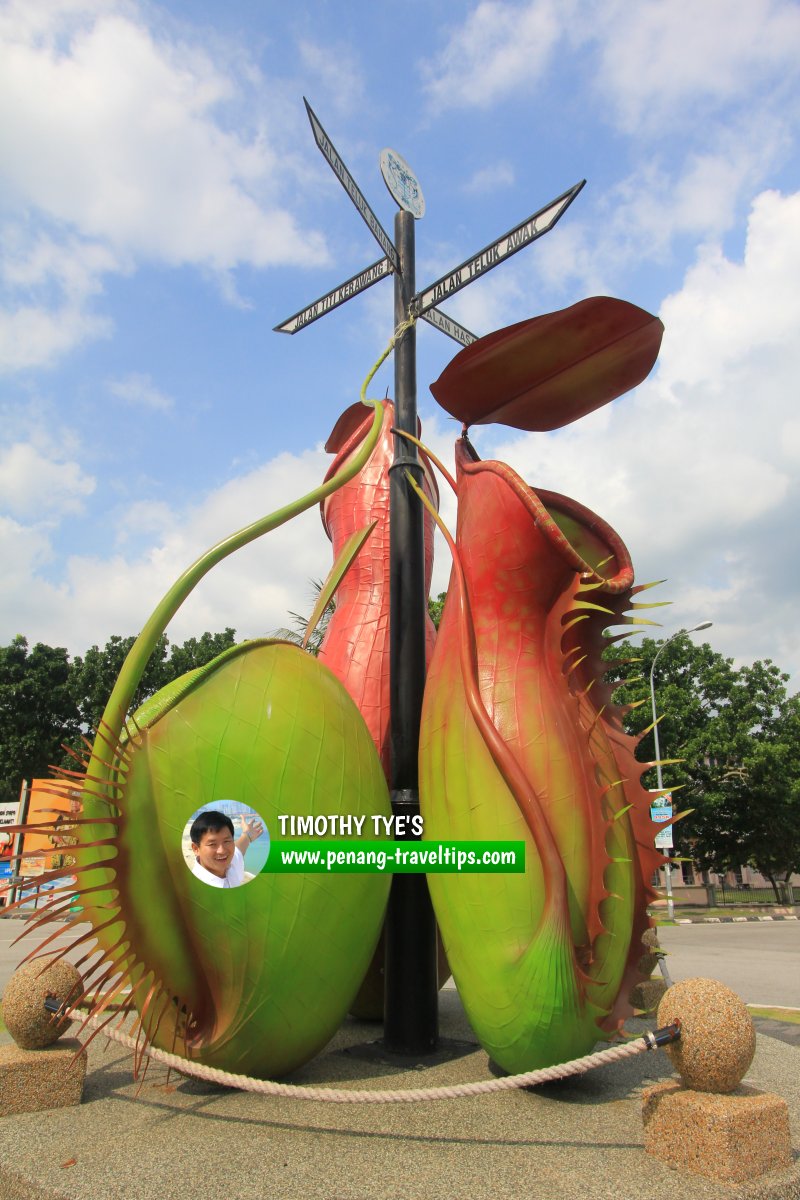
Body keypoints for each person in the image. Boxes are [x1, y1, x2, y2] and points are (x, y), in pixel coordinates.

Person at [189, 810, 263, 888]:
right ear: (196, 849)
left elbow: (239, 848)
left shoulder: (231, 863)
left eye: (226, 841)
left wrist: (247, 835)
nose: (222, 851)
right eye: (212, 844)